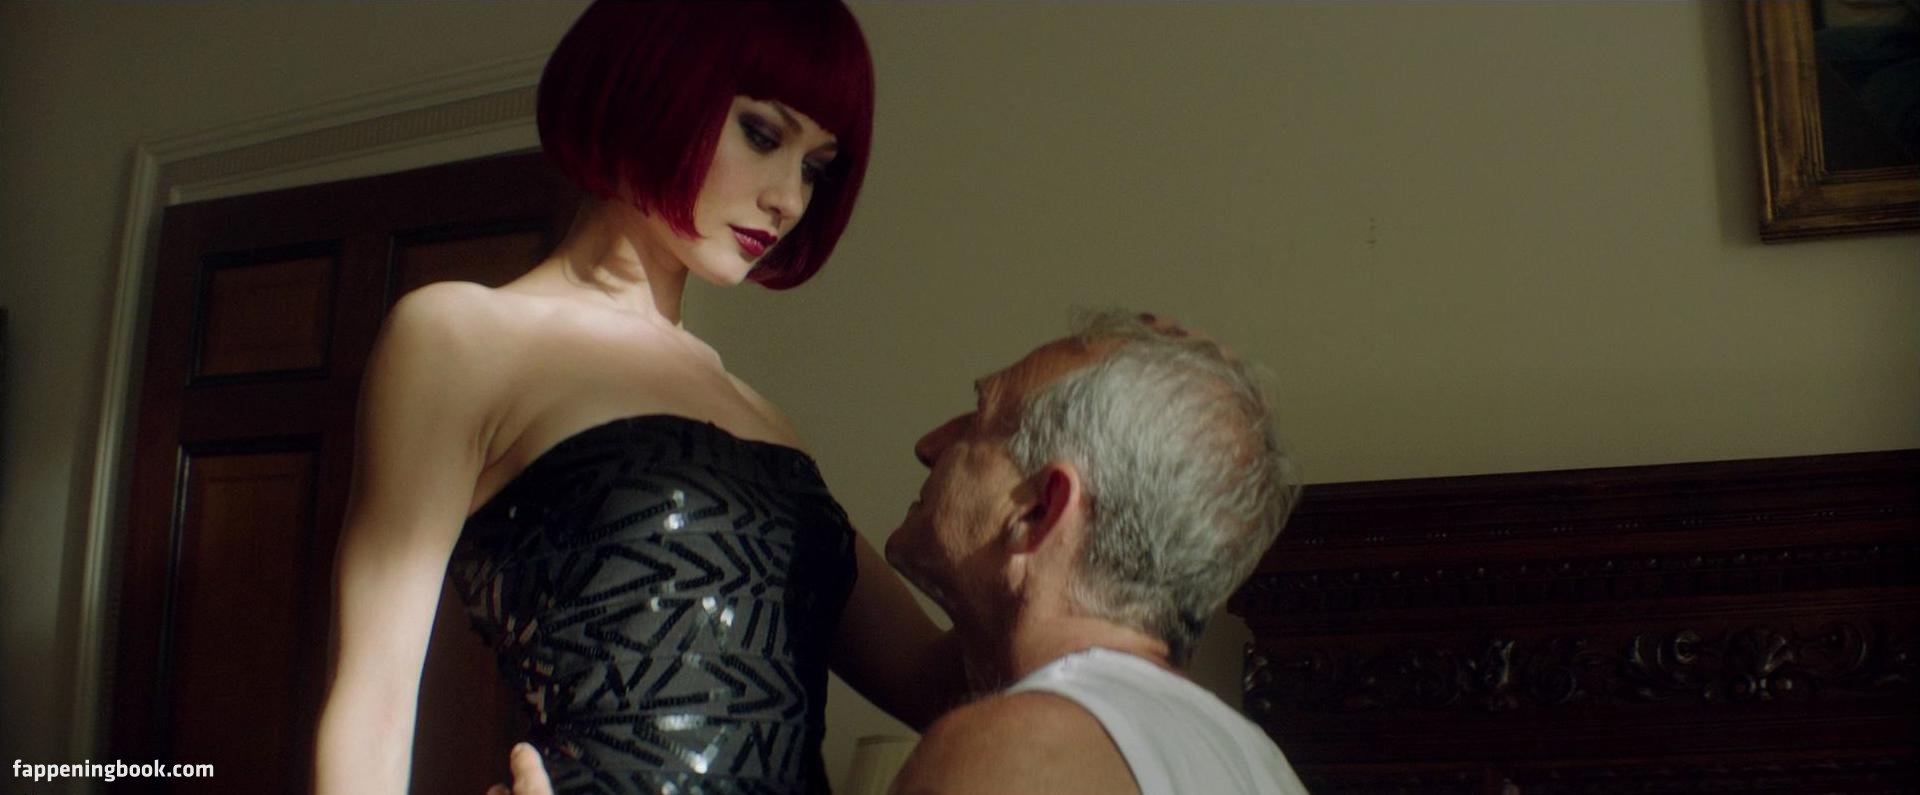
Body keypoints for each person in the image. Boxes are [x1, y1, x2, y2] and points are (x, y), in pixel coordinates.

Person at [314, 3, 963, 794]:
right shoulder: (459, 338)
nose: (790, 200)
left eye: (815, 168)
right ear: (655, 87)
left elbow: (942, 686)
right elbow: (374, 701)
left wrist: (1062, 457)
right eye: (763, 135)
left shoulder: (766, 422)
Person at [492, 311, 1310, 795]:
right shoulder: (1255, 762)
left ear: (1037, 508)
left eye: (975, 421)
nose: (929, 444)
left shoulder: (1018, 751)